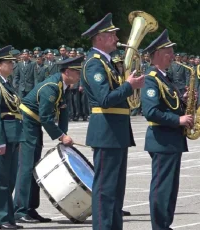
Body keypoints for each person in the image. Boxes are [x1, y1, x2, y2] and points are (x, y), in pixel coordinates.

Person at [80, 13, 144, 230]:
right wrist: (129, 86)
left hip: (116, 131)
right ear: (100, 38)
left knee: (116, 190)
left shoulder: (107, 63)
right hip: (106, 131)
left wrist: (129, 85)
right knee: (105, 189)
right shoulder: (94, 64)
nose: (117, 38)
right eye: (112, 34)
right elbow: (105, 99)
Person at [14, 57, 84, 223]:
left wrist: (63, 134)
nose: (79, 75)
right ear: (67, 72)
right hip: (27, 124)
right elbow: (46, 118)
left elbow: (63, 111)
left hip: (34, 124)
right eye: (76, 72)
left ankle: (30, 209)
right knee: (26, 168)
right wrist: (61, 136)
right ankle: (19, 210)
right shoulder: (51, 88)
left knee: (34, 168)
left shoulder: (63, 86)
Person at [141, 29, 192, 230]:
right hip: (162, 139)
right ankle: (159, 226)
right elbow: (151, 111)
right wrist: (178, 119)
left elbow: (166, 104)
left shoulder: (164, 77)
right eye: (169, 52)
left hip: (171, 140)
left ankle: (165, 224)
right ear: (160, 54)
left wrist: (184, 100)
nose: (173, 56)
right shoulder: (152, 78)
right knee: (162, 188)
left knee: (171, 188)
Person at [0, 45, 24, 230]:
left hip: (13, 136)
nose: (12, 65)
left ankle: (8, 217)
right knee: (0, 179)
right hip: (3, 138)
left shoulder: (6, 85)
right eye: (9, 62)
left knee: (10, 179)